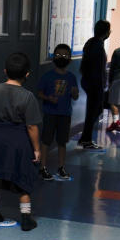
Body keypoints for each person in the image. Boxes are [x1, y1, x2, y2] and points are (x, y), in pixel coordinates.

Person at [0, 52, 41, 231]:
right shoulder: (27, 96)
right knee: (23, 178)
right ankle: (26, 218)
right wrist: (36, 149)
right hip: (19, 141)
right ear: (27, 74)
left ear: (5, 71)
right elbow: (32, 127)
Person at [37, 43, 80, 181]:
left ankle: (61, 167)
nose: (61, 58)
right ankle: (43, 167)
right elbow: (39, 93)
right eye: (58, 55)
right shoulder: (47, 76)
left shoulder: (71, 77)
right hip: (50, 113)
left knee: (62, 142)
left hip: (65, 114)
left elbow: (75, 96)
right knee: (46, 141)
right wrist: (48, 98)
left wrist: (74, 93)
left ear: (69, 59)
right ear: (53, 58)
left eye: (65, 55)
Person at [77, 20, 111, 150]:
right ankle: (86, 139)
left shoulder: (92, 42)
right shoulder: (97, 45)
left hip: (89, 81)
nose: (110, 32)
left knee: (94, 110)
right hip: (94, 83)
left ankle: (85, 138)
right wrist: (101, 85)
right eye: (109, 30)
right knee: (94, 110)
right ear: (105, 31)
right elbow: (97, 68)